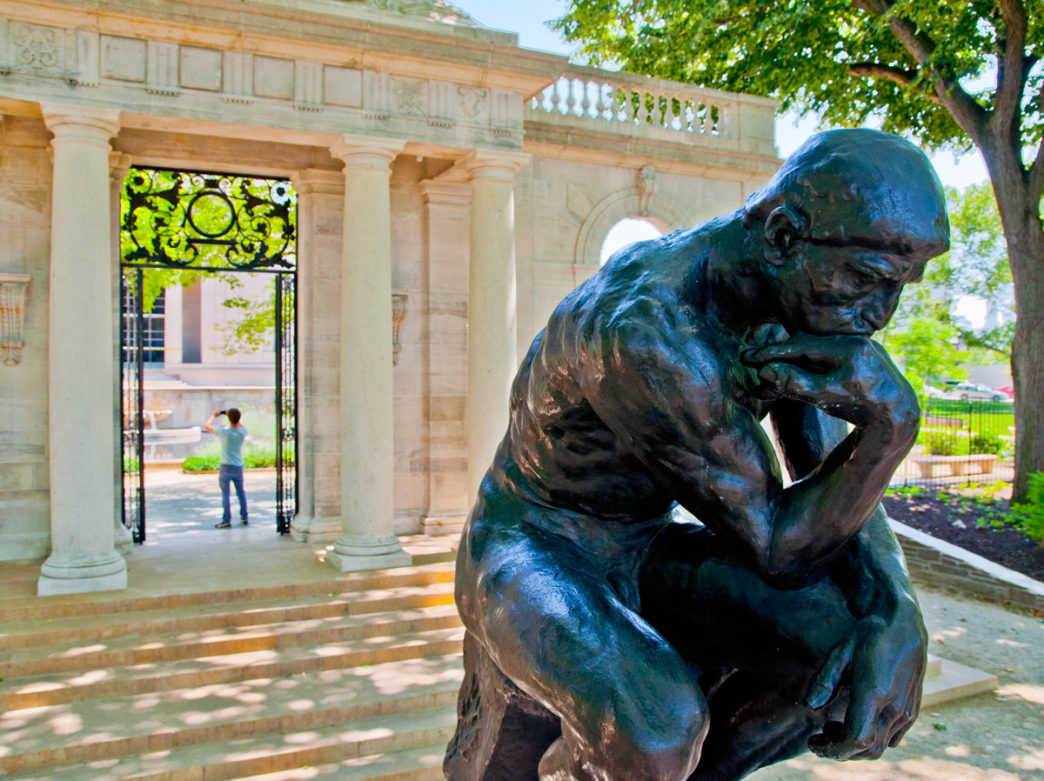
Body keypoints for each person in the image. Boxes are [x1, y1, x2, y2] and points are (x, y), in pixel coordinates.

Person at [446, 129, 949, 781]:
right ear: (783, 236)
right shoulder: (650, 327)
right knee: (655, 728)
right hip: (534, 546)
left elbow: (831, 487)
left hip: (643, 543)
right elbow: (779, 544)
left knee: (847, 650)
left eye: (900, 285)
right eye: (867, 278)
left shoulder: (798, 303)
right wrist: (892, 430)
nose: (882, 314)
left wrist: (894, 605)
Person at [205, 407, 248, 529]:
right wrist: (232, 416)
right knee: (241, 493)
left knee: (225, 495)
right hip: (238, 466)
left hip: (226, 466)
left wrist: (215, 415)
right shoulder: (242, 432)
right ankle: (244, 517)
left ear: (229, 419)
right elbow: (240, 424)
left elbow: (207, 426)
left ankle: (226, 520)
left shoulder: (225, 432)